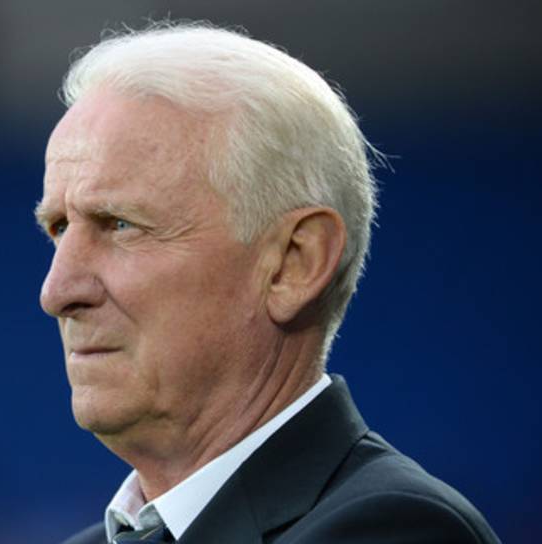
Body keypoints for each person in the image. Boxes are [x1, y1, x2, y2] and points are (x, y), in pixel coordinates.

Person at [35, 22, 500, 544]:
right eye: (59, 228)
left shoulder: (394, 529)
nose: (57, 292)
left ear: (293, 264)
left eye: (120, 224)